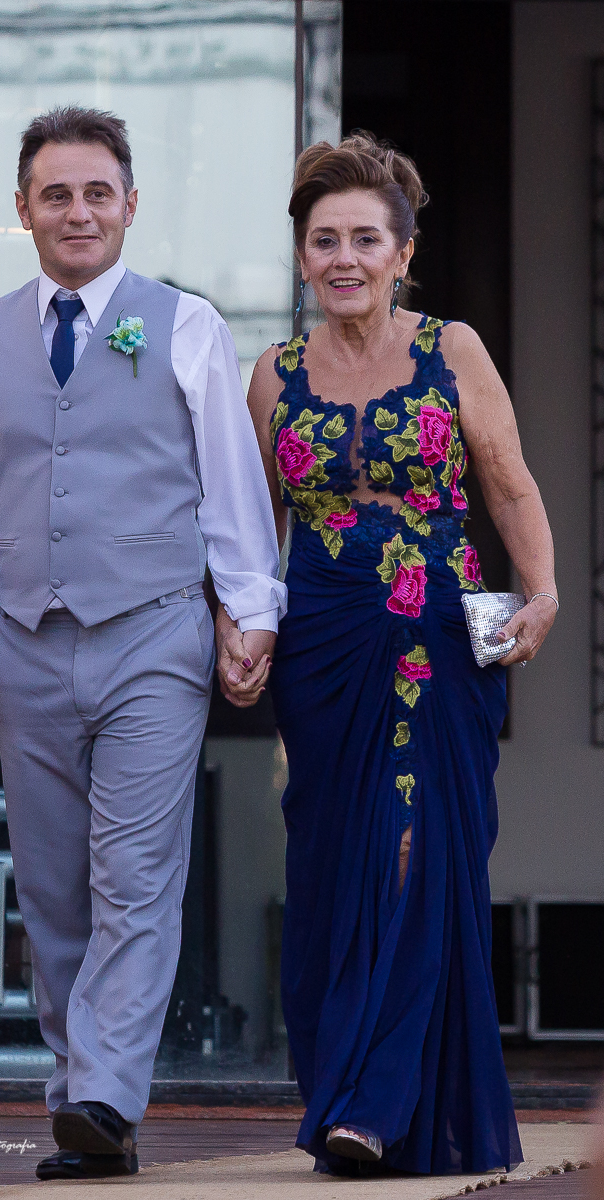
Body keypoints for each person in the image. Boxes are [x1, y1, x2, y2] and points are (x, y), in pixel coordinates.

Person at [0, 106, 285, 1180]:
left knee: (135, 878)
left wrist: (249, 610)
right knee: (51, 888)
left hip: (152, 634)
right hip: (25, 641)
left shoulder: (184, 326)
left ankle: (105, 1092)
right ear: (23, 211)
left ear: (129, 205)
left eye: (97, 191)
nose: (78, 210)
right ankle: (78, 1094)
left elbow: (232, 493)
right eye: (55, 193)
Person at [229, 132, 557, 1176]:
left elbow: (504, 480)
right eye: (322, 239)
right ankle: (340, 1090)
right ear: (299, 258)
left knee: (420, 848)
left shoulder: (450, 349)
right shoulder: (270, 377)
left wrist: (543, 589)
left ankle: (377, 1103)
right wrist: (239, 624)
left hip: (436, 631)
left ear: (401, 252)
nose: (342, 257)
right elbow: (246, 533)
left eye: (364, 238)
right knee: (329, 862)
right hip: (321, 642)